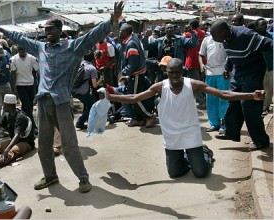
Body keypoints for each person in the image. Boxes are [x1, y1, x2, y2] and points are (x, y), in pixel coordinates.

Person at [0, 1, 124, 193]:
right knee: (43, 144)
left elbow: (92, 36)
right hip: (43, 101)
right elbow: (19, 38)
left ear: (60, 30)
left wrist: (111, 20)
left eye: (51, 30)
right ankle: (50, 176)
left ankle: (83, 178)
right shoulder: (41, 48)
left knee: (69, 144)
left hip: (61, 101)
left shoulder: (72, 47)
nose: (47, 33)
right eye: (46, 30)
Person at [108, 58, 266, 178]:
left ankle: (204, 152)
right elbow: (135, 97)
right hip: (172, 137)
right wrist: (111, 97)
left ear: (182, 71)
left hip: (190, 133)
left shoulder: (193, 84)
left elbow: (223, 94)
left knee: (200, 172)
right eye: (171, 72)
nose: (174, 75)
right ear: (166, 72)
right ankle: (186, 156)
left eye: (177, 72)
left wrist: (252, 95)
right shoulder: (160, 87)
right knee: (174, 173)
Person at [210, 20, 272, 151]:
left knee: (249, 105)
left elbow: (269, 44)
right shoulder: (225, 39)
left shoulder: (245, 35)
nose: (213, 38)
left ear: (224, 32)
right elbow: (230, 54)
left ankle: (261, 140)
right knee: (233, 99)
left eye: (215, 35)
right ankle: (231, 132)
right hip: (238, 71)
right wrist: (227, 68)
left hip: (253, 71)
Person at [119, 23, 155, 128]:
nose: (119, 32)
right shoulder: (131, 40)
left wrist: (124, 73)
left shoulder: (131, 44)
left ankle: (149, 116)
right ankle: (139, 119)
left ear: (126, 32)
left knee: (134, 98)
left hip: (136, 75)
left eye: (121, 30)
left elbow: (132, 64)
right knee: (134, 97)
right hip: (136, 74)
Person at [198, 34, 229, 134]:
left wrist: (228, 68)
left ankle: (223, 124)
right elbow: (200, 55)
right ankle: (214, 124)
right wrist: (201, 64)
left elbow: (230, 55)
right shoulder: (207, 40)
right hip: (210, 72)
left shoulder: (225, 39)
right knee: (211, 99)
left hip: (223, 72)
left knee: (223, 98)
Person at [10, 46, 39, 132]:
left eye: (23, 49)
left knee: (29, 106)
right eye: (19, 49)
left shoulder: (32, 58)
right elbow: (13, 74)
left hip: (31, 85)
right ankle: (33, 127)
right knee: (26, 105)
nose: (21, 51)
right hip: (20, 85)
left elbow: (38, 70)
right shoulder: (13, 59)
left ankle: (24, 123)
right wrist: (14, 89)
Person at [72, 50, 99, 129]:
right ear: (93, 58)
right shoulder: (92, 68)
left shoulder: (78, 65)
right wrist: (100, 82)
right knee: (93, 105)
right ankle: (80, 122)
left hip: (73, 90)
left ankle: (86, 120)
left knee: (88, 104)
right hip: (82, 92)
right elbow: (94, 85)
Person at [185, 19, 206, 109]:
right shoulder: (203, 33)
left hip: (192, 60)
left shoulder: (188, 34)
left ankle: (201, 101)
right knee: (201, 81)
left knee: (194, 82)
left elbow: (185, 48)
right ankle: (201, 99)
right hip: (201, 59)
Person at [254, 18, 273, 113]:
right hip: (256, 68)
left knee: (268, 89)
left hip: (269, 67)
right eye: (262, 25)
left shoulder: (271, 37)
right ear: (256, 27)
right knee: (257, 88)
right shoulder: (253, 37)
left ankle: (265, 107)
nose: (264, 26)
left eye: (265, 24)